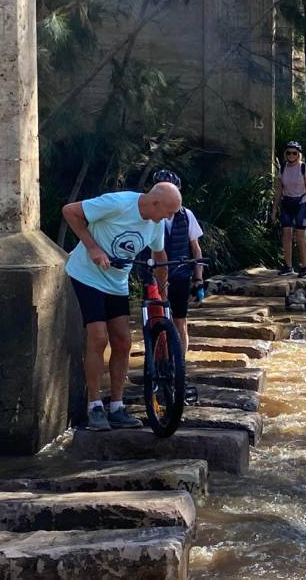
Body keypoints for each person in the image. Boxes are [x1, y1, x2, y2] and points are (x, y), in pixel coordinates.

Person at [62, 182, 182, 432]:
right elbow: (70, 211)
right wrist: (93, 247)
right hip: (88, 275)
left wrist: (163, 291)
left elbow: (160, 257)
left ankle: (116, 406)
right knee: (97, 337)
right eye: (169, 212)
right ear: (155, 203)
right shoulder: (118, 203)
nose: (170, 217)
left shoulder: (156, 223)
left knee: (124, 341)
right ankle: (94, 406)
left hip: (116, 282)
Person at [148, 169, 205, 353]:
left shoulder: (186, 215)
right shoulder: (147, 216)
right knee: (155, 320)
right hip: (154, 277)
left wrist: (198, 279)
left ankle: (179, 366)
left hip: (180, 275)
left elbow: (195, 248)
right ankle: (157, 361)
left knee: (180, 321)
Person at [272, 141, 306, 278]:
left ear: (298, 154)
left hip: (301, 202)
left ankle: (304, 267)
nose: (291, 155)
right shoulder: (283, 167)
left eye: (294, 153)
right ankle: (288, 266)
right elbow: (279, 190)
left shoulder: (304, 168)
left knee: (301, 236)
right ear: (286, 154)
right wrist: (274, 209)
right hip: (287, 202)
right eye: (289, 152)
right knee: (286, 235)